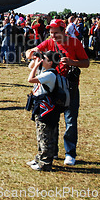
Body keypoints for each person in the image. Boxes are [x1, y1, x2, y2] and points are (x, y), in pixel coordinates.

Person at [26, 18, 89, 166]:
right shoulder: (49, 42)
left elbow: (86, 62)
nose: (52, 35)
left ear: (63, 31)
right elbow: (33, 50)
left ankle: (70, 153)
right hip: (52, 88)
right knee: (51, 120)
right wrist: (32, 53)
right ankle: (51, 151)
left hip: (69, 87)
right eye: (50, 32)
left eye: (55, 32)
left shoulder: (75, 43)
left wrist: (72, 62)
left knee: (70, 120)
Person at [26, 50, 62, 171]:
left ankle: (45, 162)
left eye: (44, 59)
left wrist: (36, 64)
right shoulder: (48, 72)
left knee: (44, 135)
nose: (42, 61)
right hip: (42, 106)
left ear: (50, 62)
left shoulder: (50, 74)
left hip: (45, 108)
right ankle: (39, 158)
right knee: (41, 134)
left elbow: (30, 79)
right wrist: (36, 61)